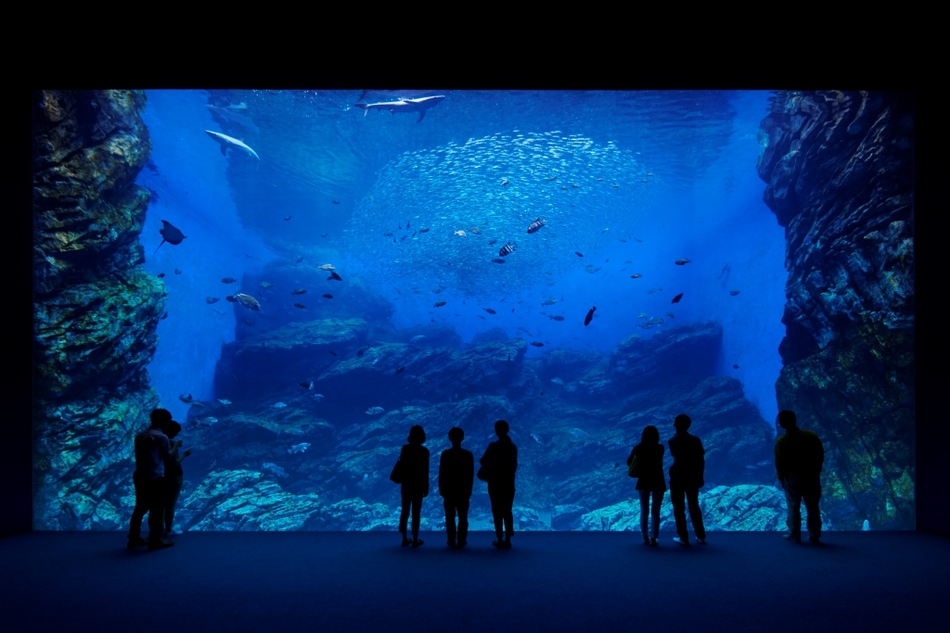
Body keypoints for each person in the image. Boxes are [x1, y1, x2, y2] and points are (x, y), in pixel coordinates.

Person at [128, 408, 175, 551]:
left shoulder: (140, 436)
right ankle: (155, 539)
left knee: (140, 509)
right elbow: (168, 458)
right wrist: (175, 446)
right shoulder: (162, 437)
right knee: (157, 510)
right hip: (155, 478)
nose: (168, 424)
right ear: (163, 421)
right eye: (167, 421)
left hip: (140, 476)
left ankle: (133, 538)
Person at [774, 410, 825, 544]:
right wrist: (816, 471)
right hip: (811, 476)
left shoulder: (782, 442)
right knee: (813, 506)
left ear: (781, 424)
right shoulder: (811, 436)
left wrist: (781, 478)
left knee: (793, 506)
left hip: (792, 478)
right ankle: (814, 535)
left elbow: (780, 463)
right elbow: (820, 455)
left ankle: (794, 533)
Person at [668, 414, 706, 547]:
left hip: (677, 477)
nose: (673, 425)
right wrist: (700, 476)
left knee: (679, 508)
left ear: (677, 425)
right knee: (694, 506)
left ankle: (683, 537)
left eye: (675, 422)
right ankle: (700, 535)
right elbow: (701, 461)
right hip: (693, 477)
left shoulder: (672, 441)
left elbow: (677, 459)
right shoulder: (696, 440)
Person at [480, 420, 518, 549]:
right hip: (508, 483)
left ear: (496, 431)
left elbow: (482, 460)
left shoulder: (493, 446)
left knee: (496, 510)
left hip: (495, 483)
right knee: (507, 510)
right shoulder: (513, 447)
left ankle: (499, 538)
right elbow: (514, 466)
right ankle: (508, 538)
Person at [628, 425, 666, 547]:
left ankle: (645, 537)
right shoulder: (660, 448)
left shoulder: (638, 447)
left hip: (643, 481)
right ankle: (654, 537)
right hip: (658, 481)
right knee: (656, 511)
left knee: (644, 510)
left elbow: (628, 462)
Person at [438, 427, 474, 549]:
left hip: (449, 490)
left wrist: (442, 489)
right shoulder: (468, 455)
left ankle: (451, 539)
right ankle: (462, 540)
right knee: (463, 516)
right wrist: (469, 491)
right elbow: (470, 475)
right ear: (463, 438)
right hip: (463, 490)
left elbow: (442, 473)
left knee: (449, 516)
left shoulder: (445, 454)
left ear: (449, 438)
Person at [398, 425, 429, 548]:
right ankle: (415, 539)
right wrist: (426, 487)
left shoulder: (405, 449)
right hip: (418, 484)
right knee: (416, 512)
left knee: (405, 510)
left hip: (406, 484)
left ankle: (404, 538)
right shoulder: (424, 451)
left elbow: (403, 466)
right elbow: (425, 471)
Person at [162, 420, 192, 540]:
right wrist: (185, 454)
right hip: (174, 477)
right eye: (175, 432)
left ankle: (160, 529)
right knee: (170, 505)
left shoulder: (158, 441)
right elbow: (173, 462)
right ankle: (168, 529)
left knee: (161, 505)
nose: (176, 435)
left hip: (162, 476)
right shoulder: (170, 443)